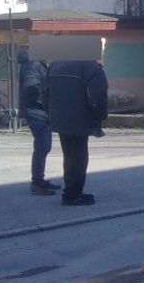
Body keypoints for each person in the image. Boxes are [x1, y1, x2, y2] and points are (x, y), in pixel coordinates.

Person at [45, 58, 109, 206]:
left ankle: (71, 190)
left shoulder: (55, 66)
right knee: (79, 157)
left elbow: (45, 91)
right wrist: (100, 116)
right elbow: (98, 97)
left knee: (68, 155)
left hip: (59, 117)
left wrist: (50, 112)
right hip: (81, 118)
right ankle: (73, 194)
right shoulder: (93, 69)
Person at [19, 49, 60, 195]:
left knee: (44, 147)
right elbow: (31, 88)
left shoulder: (39, 64)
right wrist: (45, 101)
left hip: (39, 111)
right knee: (42, 146)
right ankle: (37, 183)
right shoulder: (34, 64)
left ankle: (39, 180)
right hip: (37, 112)